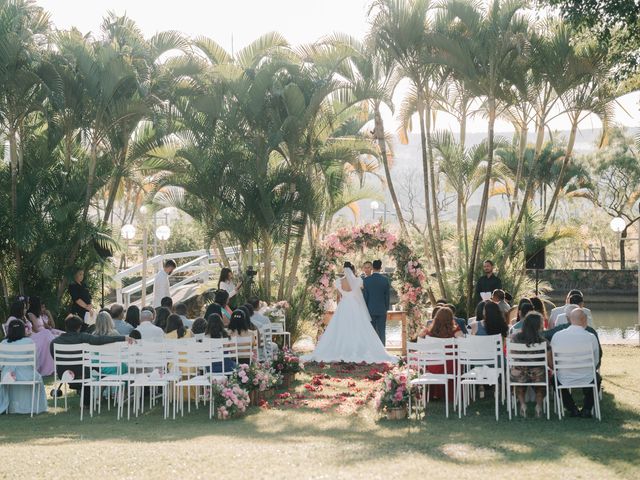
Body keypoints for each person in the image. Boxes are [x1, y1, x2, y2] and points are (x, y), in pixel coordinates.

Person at [303, 262, 397, 364]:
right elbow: (360, 296)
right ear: (353, 270)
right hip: (354, 306)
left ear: (344, 269)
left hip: (343, 306)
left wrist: (339, 309)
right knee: (357, 328)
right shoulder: (358, 281)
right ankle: (360, 349)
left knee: (341, 328)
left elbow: (338, 298)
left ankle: (341, 349)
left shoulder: (339, 281)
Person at [50, 315, 129, 406]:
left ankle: (96, 393)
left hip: (64, 373)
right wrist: (123, 338)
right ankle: (87, 403)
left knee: (89, 367)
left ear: (66, 326)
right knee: (90, 369)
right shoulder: (82, 337)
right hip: (82, 373)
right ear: (79, 327)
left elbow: (55, 358)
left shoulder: (54, 342)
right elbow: (100, 340)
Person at [550, 308, 601, 418]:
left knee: (554, 379)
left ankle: (572, 408)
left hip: (564, 377)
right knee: (597, 378)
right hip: (587, 377)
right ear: (584, 320)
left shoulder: (557, 336)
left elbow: (555, 359)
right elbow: (596, 361)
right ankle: (587, 408)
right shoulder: (591, 337)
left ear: (570, 320)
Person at [0, 320, 48, 415]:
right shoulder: (29, 342)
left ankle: (11, 407)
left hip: (8, 377)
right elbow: (35, 362)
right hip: (27, 375)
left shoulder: (3, 343)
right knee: (37, 376)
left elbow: (1, 365)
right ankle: (35, 407)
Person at [510, 312, 548, 418]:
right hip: (537, 373)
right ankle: (539, 405)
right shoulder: (543, 341)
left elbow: (512, 356)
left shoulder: (515, 338)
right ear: (538, 325)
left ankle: (522, 404)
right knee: (540, 387)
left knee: (519, 385)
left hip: (519, 372)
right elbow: (549, 360)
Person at [422, 307, 462, 400]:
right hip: (450, 368)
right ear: (451, 318)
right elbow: (464, 343)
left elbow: (419, 341)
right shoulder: (455, 331)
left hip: (433, 367)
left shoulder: (429, 332)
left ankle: (435, 394)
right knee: (458, 361)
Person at [23, 297, 57, 376]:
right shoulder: (30, 314)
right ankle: (49, 368)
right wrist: (45, 333)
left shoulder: (39, 315)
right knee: (47, 334)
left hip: (45, 333)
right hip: (38, 335)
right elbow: (35, 329)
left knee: (52, 333)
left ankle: (54, 366)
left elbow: (46, 326)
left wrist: (52, 329)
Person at [363, 259, 391, 345]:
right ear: (380, 268)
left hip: (370, 310)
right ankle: (382, 350)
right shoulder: (385, 280)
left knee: (371, 332)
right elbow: (387, 296)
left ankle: (373, 351)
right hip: (382, 310)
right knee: (382, 331)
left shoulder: (367, 280)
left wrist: (365, 309)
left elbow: (365, 297)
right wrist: (386, 308)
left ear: (372, 268)